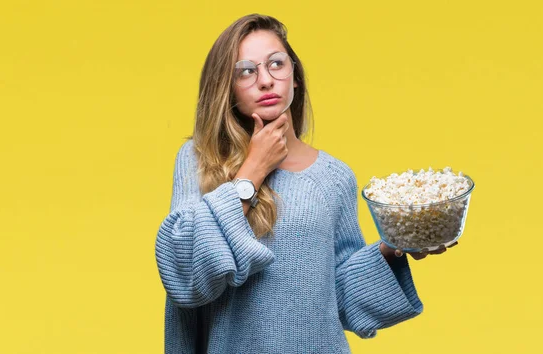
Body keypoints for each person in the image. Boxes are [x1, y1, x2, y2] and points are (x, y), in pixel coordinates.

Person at [155, 13, 454, 354]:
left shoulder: (334, 177)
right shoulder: (200, 159)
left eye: (276, 64)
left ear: (295, 77)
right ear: (228, 88)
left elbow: (337, 299)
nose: (266, 80)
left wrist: (393, 247)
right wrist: (252, 171)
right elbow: (182, 274)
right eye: (246, 71)